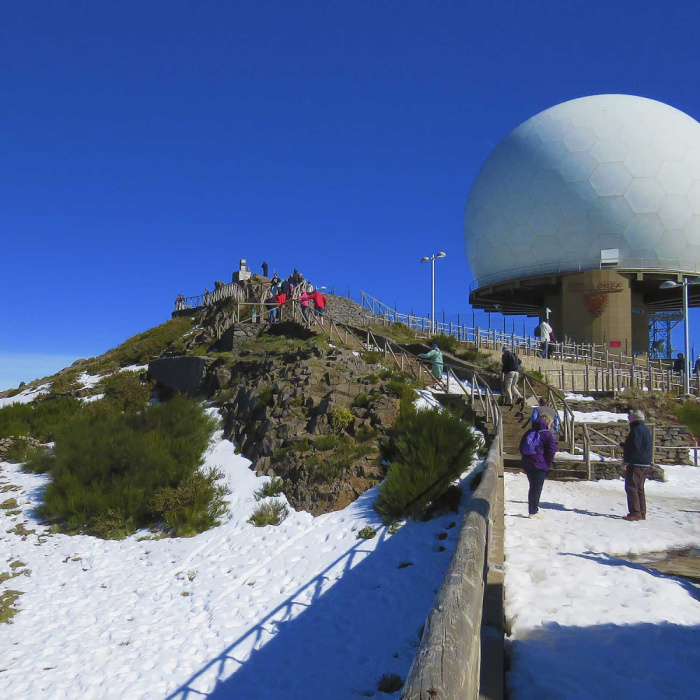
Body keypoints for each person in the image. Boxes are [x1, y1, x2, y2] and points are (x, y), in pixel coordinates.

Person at [519, 414, 557, 518]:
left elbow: (521, 447)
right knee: (536, 488)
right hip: (540, 465)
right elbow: (552, 450)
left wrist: (526, 458)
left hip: (528, 464)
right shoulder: (547, 435)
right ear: (548, 423)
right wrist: (547, 463)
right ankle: (533, 511)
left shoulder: (529, 432)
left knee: (533, 487)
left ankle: (533, 509)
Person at [621, 409, 653, 521]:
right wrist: (625, 446)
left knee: (631, 487)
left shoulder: (636, 429)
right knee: (639, 488)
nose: (629, 418)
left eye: (630, 416)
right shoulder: (645, 429)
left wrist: (626, 461)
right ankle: (641, 512)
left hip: (636, 462)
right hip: (644, 462)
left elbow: (635, 447)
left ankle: (635, 512)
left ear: (634, 418)